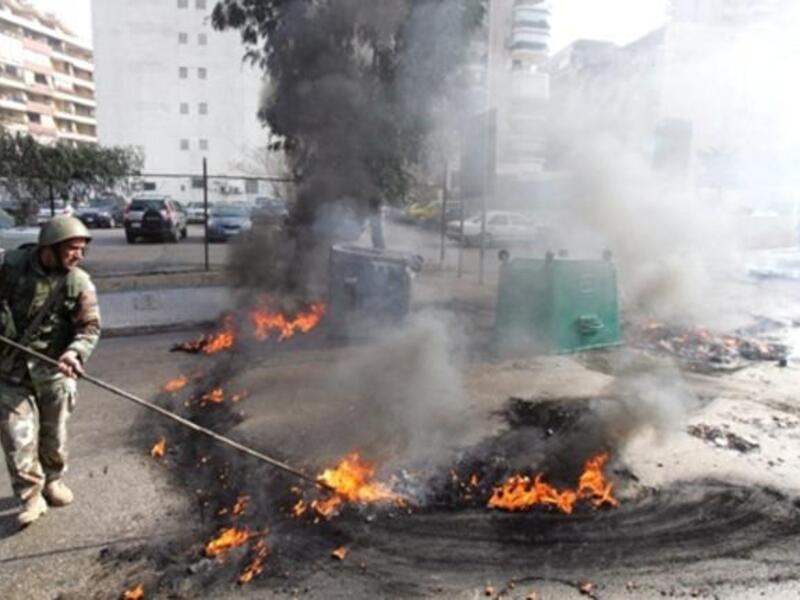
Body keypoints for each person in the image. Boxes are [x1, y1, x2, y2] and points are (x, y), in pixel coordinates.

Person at [0, 216, 100, 527]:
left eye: (82, 249)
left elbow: (90, 327)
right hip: (10, 371)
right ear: (50, 248)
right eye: (72, 248)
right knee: (18, 436)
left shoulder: (78, 282)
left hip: (54, 371)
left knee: (54, 435)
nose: (78, 255)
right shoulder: (10, 267)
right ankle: (31, 496)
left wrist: (74, 353)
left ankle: (53, 479)